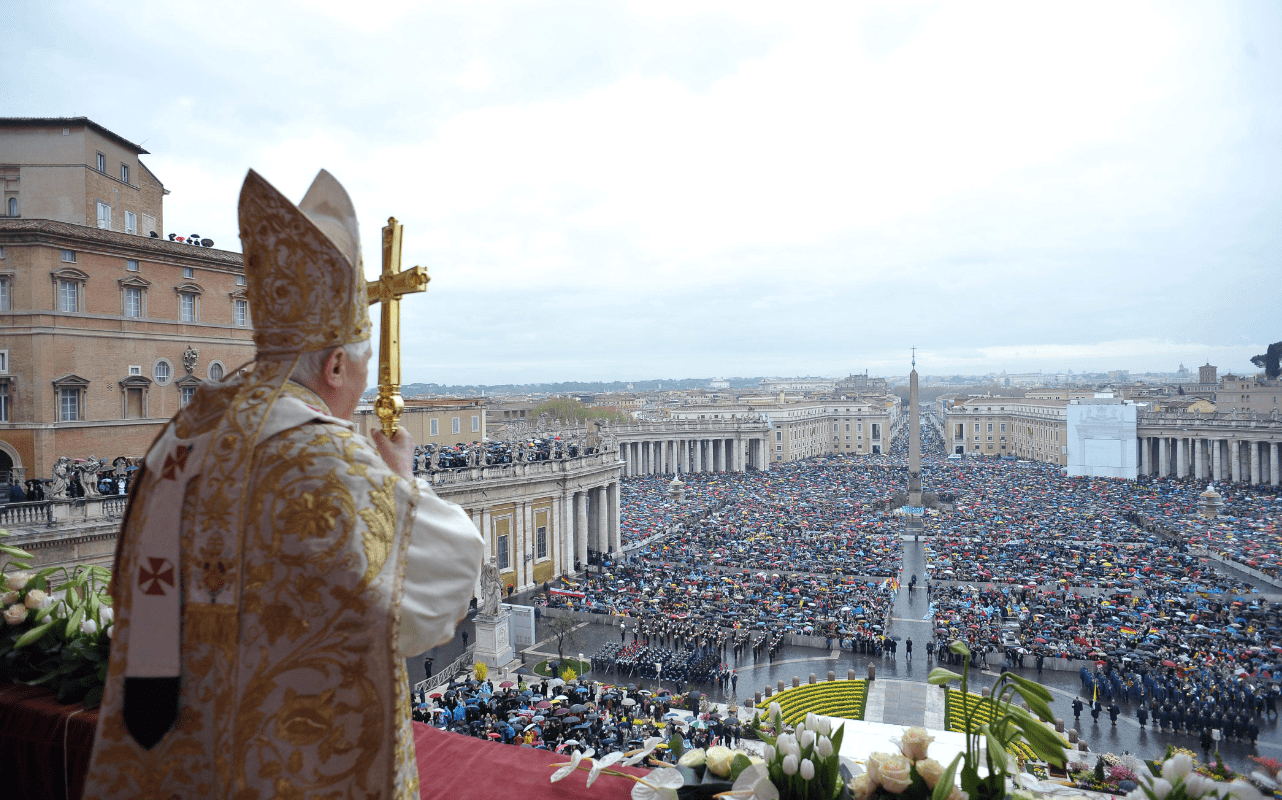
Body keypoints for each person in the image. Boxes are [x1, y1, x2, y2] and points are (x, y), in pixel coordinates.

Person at [82, 169, 485, 799]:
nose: (355, 389)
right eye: (357, 370)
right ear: (332, 366)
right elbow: (444, 586)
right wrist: (403, 484)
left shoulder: (181, 436)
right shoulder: (324, 455)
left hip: (175, 762)